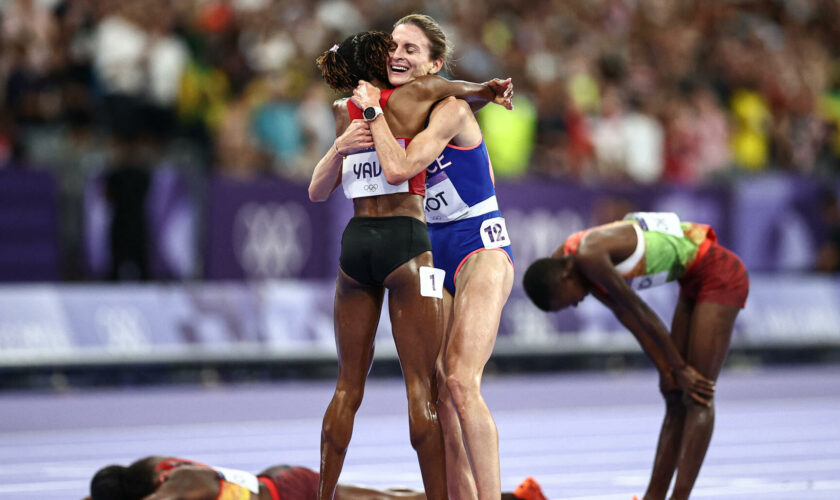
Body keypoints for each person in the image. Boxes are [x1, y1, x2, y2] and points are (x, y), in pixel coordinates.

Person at [309, 30, 512, 500]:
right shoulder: (389, 105)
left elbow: (445, 107)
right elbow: (442, 95)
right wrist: (351, 138)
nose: (398, 55)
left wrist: (485, 91)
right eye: (392, 49)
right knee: (436, 392)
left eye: (409, 49)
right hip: (422, 248)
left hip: (474, 242)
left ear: (435, 64)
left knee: (459, 381)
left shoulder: (435, 108)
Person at [522, 212, 749, 500]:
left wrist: (678, 368)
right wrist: (667, 370)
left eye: (566, 303)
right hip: (691, 280)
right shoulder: (567, 259)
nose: (576, 305)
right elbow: (626, 315)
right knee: (675, 395)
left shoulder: (589, 256)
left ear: (565, 277)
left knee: (698, 393)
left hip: (721, 273)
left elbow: (641, 312)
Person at [83, 455, 548, 500]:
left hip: (291, 491)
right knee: (399, 496)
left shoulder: (179, 486)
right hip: (277, 480)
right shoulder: (152, 468)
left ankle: (515, 497)